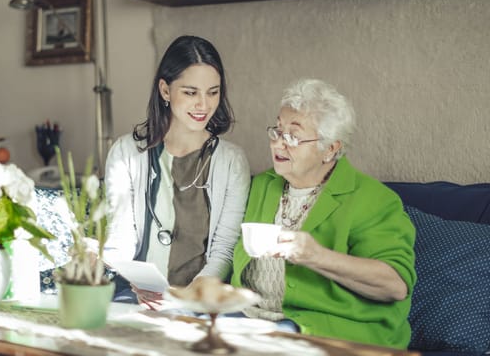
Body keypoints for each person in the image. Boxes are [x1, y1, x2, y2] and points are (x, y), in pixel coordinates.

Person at [230, 79, 416, 349]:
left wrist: (316, 256)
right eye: (277, 131)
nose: (278, 144)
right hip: (252, 319)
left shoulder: (373, 199)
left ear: (330, 149)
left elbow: (395, 285)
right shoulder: (262, 185)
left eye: (293, 136)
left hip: (328, 327)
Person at [104, 35, 250, 309]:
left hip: (200, 301)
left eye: (213, 92)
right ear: (165, 90)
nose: (203, 105)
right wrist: (135, 280)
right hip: (133, 295)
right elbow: (120, 235)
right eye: (191, 92)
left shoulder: (232, 162)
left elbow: (224, 249)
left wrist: (188, 297)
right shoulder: (126, 153)